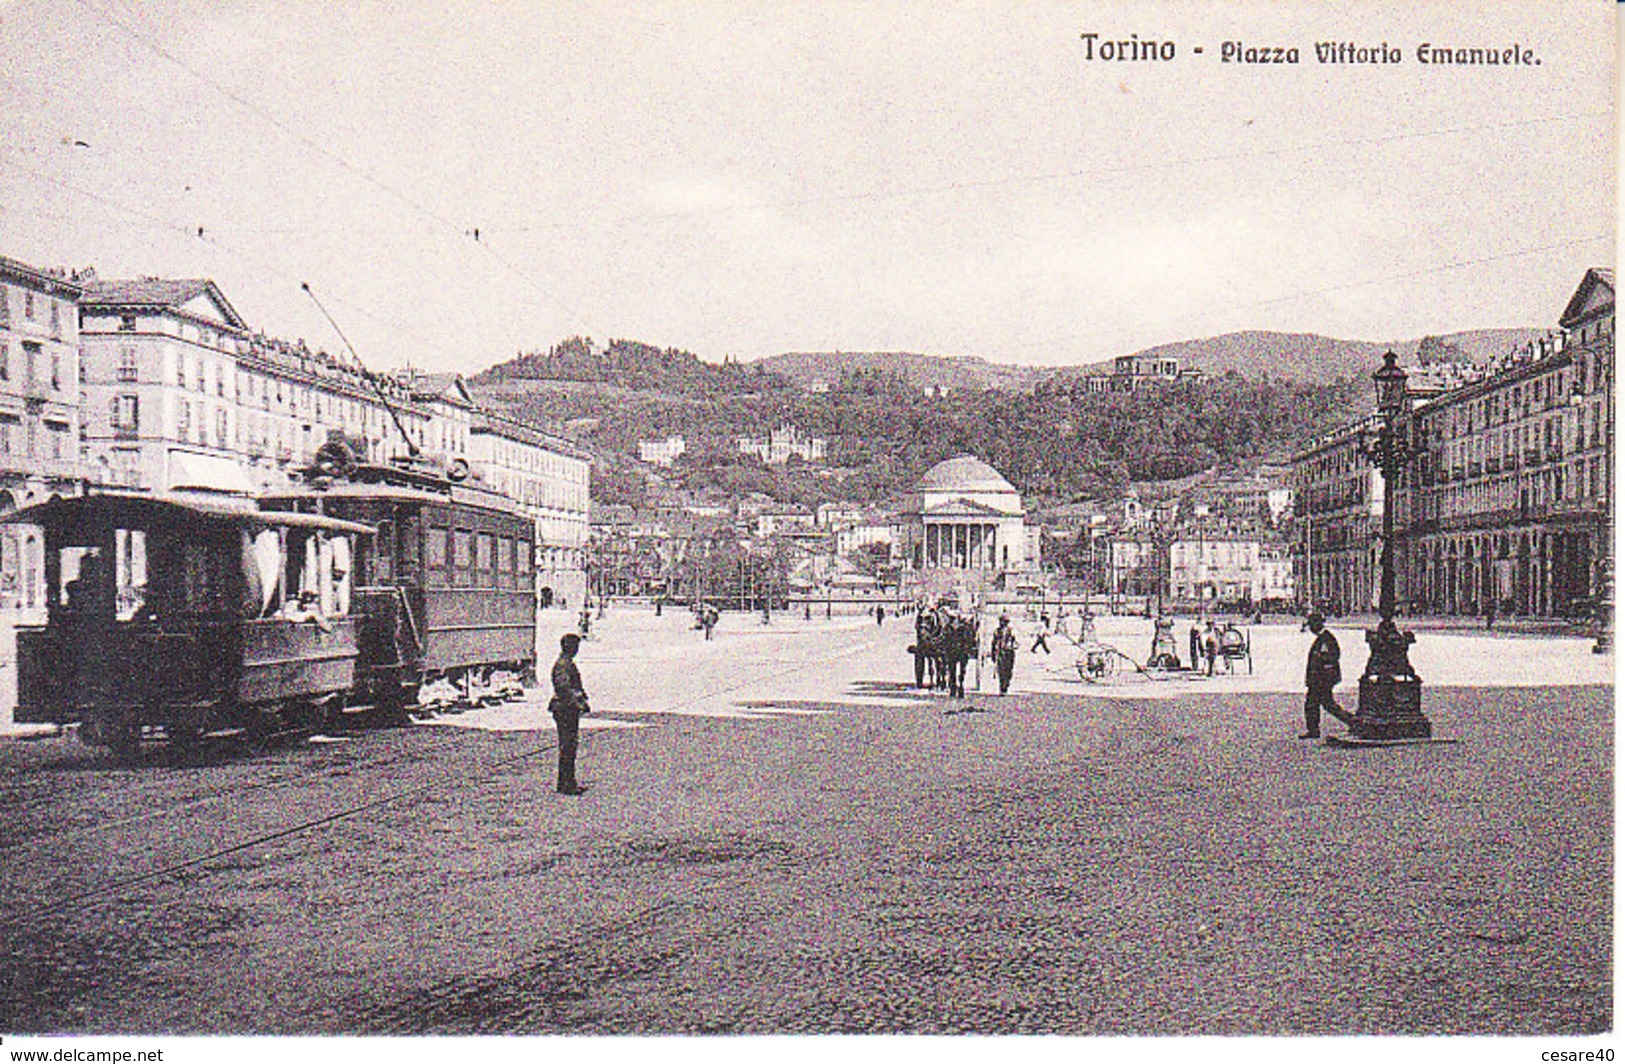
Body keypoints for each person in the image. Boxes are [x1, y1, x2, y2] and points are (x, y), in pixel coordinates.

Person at [549, 633, 590, 795]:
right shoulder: (563, 665)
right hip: (564, 709)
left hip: (567, 709)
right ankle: (566, 785)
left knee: (570, 747)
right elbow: (563, 688)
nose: (577, 650)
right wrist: (578, 702)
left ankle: (568, 782)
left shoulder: (566, 663)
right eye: (575, 647)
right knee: (568, 747)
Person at [1301, 611, 1352, 738]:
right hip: (1319, 679)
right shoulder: (1322, 638)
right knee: (1323, 704)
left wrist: (1323, 675)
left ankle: (1353, 722)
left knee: (1321, 704)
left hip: (1322, 679)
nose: (1311, 629)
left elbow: (1332, 657)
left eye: (1312, 625)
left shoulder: (1326, 638)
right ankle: (1314, 730)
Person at [991, 614, 1017, 695]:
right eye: (1001, 621)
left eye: (1003, 622)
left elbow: (1015, 641)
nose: (1001, 623)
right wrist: (993, 653)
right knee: (1001, 670)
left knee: (1009, 670)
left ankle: (1006, 684)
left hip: (1009, 652)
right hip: (1000, 652)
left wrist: (1012, 646)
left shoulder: (1011, 630)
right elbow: (993, 642)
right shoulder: (997, 631)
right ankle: (1002, 687)